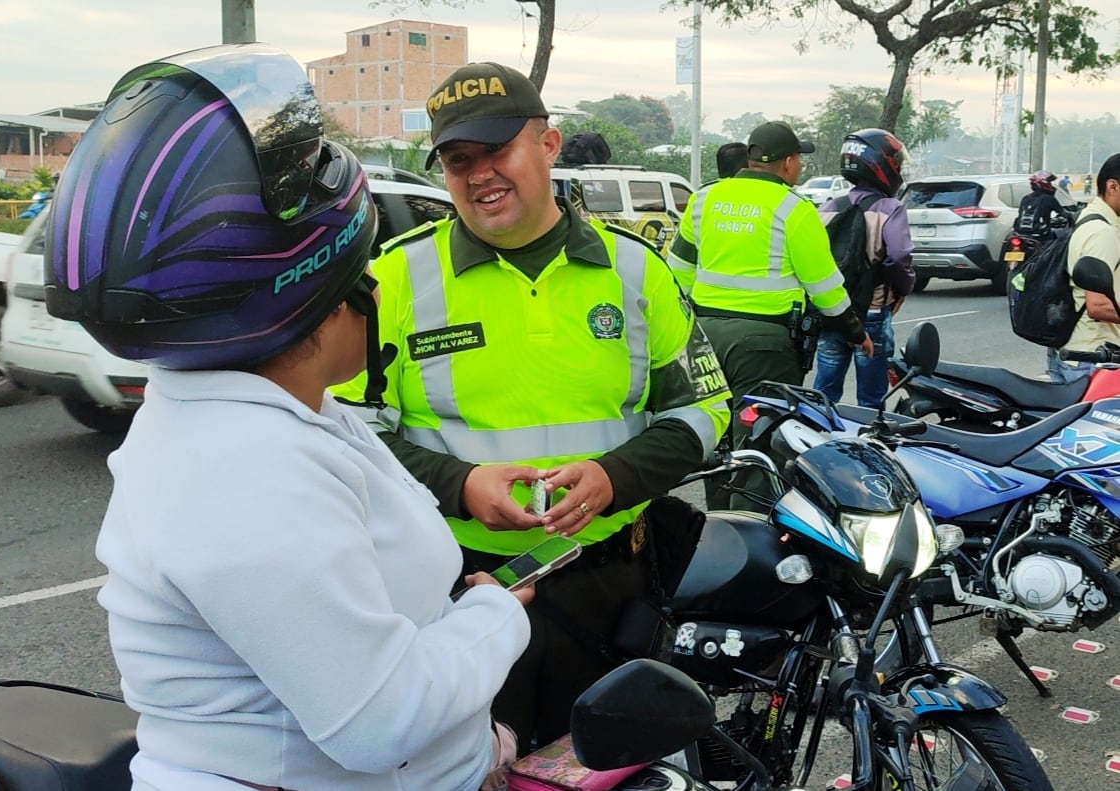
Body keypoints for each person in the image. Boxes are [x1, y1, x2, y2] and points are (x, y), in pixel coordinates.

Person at [44, 45, 531, 791]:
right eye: (360, 270)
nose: (374, 285)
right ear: (317, 298)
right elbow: (382, 720)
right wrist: (494, 616)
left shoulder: (274, 413)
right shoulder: (244, 469)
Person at [336, 61, 732, 753]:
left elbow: (706, 409)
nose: (479, 173)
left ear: (548, 145)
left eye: (497, 150)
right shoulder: (392, 279)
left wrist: (617, 475)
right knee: (474, 768)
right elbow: (346, 434)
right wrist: (460, 486)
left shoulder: (637, 270)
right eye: (459, 159)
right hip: (458, 593)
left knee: (615, 768)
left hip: (612, 586)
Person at [667, 120, 873, 440]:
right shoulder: (795, 208)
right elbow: (824, 287)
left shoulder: (705, 199)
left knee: (715, 436)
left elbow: (678, 269)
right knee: (758, 440)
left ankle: (720, 491)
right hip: (765, 346)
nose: (800, 165)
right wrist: (855, 332)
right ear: (788, 163)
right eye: (798, 158)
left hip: (705, 336)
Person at [813, 129, 915, 408]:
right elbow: (899, 256)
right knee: (871, 398)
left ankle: (819, 442)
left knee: (824, 394)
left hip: (834, 311)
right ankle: (868, 445)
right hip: (872, 312)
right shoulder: (890, 208)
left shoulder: (828, 207)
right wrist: (904, 289)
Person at [1053, 153, 1120, 383]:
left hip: (1071, 353)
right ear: (1113, 186)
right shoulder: (1103, 232)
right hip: (1092, 360)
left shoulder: (1086, 217)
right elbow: (1098, 305)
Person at [1013, 170, 1071, 241]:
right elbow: (1063, 213)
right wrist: (1071, 218)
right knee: (1060, 240)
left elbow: (1020, 214)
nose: (1051, 185)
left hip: (1020, 234)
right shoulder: (1048, 198)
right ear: (1044, 183)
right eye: (1049, 182)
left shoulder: (1025, 198)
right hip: (1040, 234)